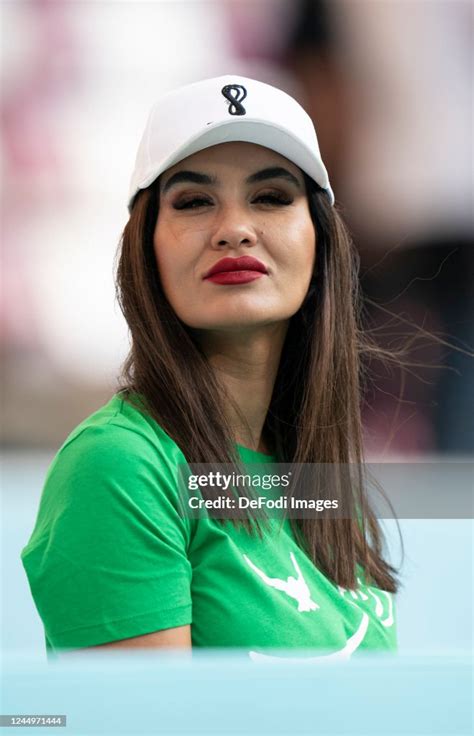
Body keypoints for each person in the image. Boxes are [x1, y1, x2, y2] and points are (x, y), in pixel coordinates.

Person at [21, 75, 398, 659]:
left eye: (271, 197)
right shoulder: (120, 466)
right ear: (146, 248)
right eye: (195, 202)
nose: (235, 230)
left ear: (320, 241)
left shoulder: (318, 477)